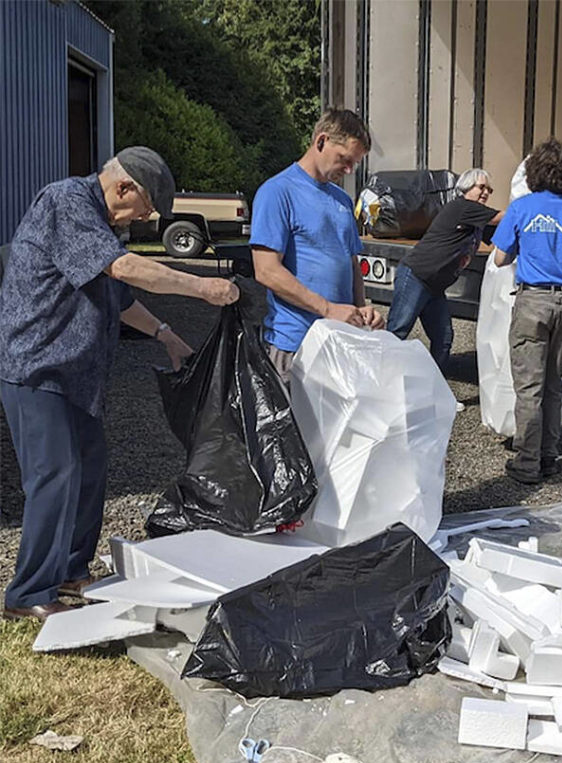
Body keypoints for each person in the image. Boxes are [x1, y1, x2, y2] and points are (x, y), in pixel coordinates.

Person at [0, 147, 240, 621]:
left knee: (90, 471)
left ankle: (71, 570)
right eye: (147, 207)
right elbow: (125, 269)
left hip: (77, 375)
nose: (147, 218)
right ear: (124, 187)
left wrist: (165, 334)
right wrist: (202, 287)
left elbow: (121, 298)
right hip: (38, 367)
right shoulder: (66, 201)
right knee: (56, 474)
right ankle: (28, 593)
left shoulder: (100, 226)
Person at [492, 139, 562, 484]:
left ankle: (526, 463)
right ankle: (549, 456)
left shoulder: (522, 208)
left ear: (535, 172)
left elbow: (499, 258)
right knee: (554, 385)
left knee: (529, 388)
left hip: (532, 302)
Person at [251, 108, 384, 385]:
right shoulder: (277, 192)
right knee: (295, 428)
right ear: (321, 141)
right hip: (296, 345)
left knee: (341, 428)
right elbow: (266, 271)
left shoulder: (343, 200)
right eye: (344, 160)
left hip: (341, 342)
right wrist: (327, 309)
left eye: (354, 164)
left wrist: (362, 309)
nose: (349, 170)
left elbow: (351, 262)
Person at [386, 168, 503, 372]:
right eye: (482, 187)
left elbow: (500, 237)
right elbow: (503, 218)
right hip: (416, 276)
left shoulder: (476, 218)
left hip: (435, 286)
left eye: (490, 190)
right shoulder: (463, 206)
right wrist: (530, 210)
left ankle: (434, 390)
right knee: (397, 331)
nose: (486, 193)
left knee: (444, 338)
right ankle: (377, 385)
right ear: (467, 187)